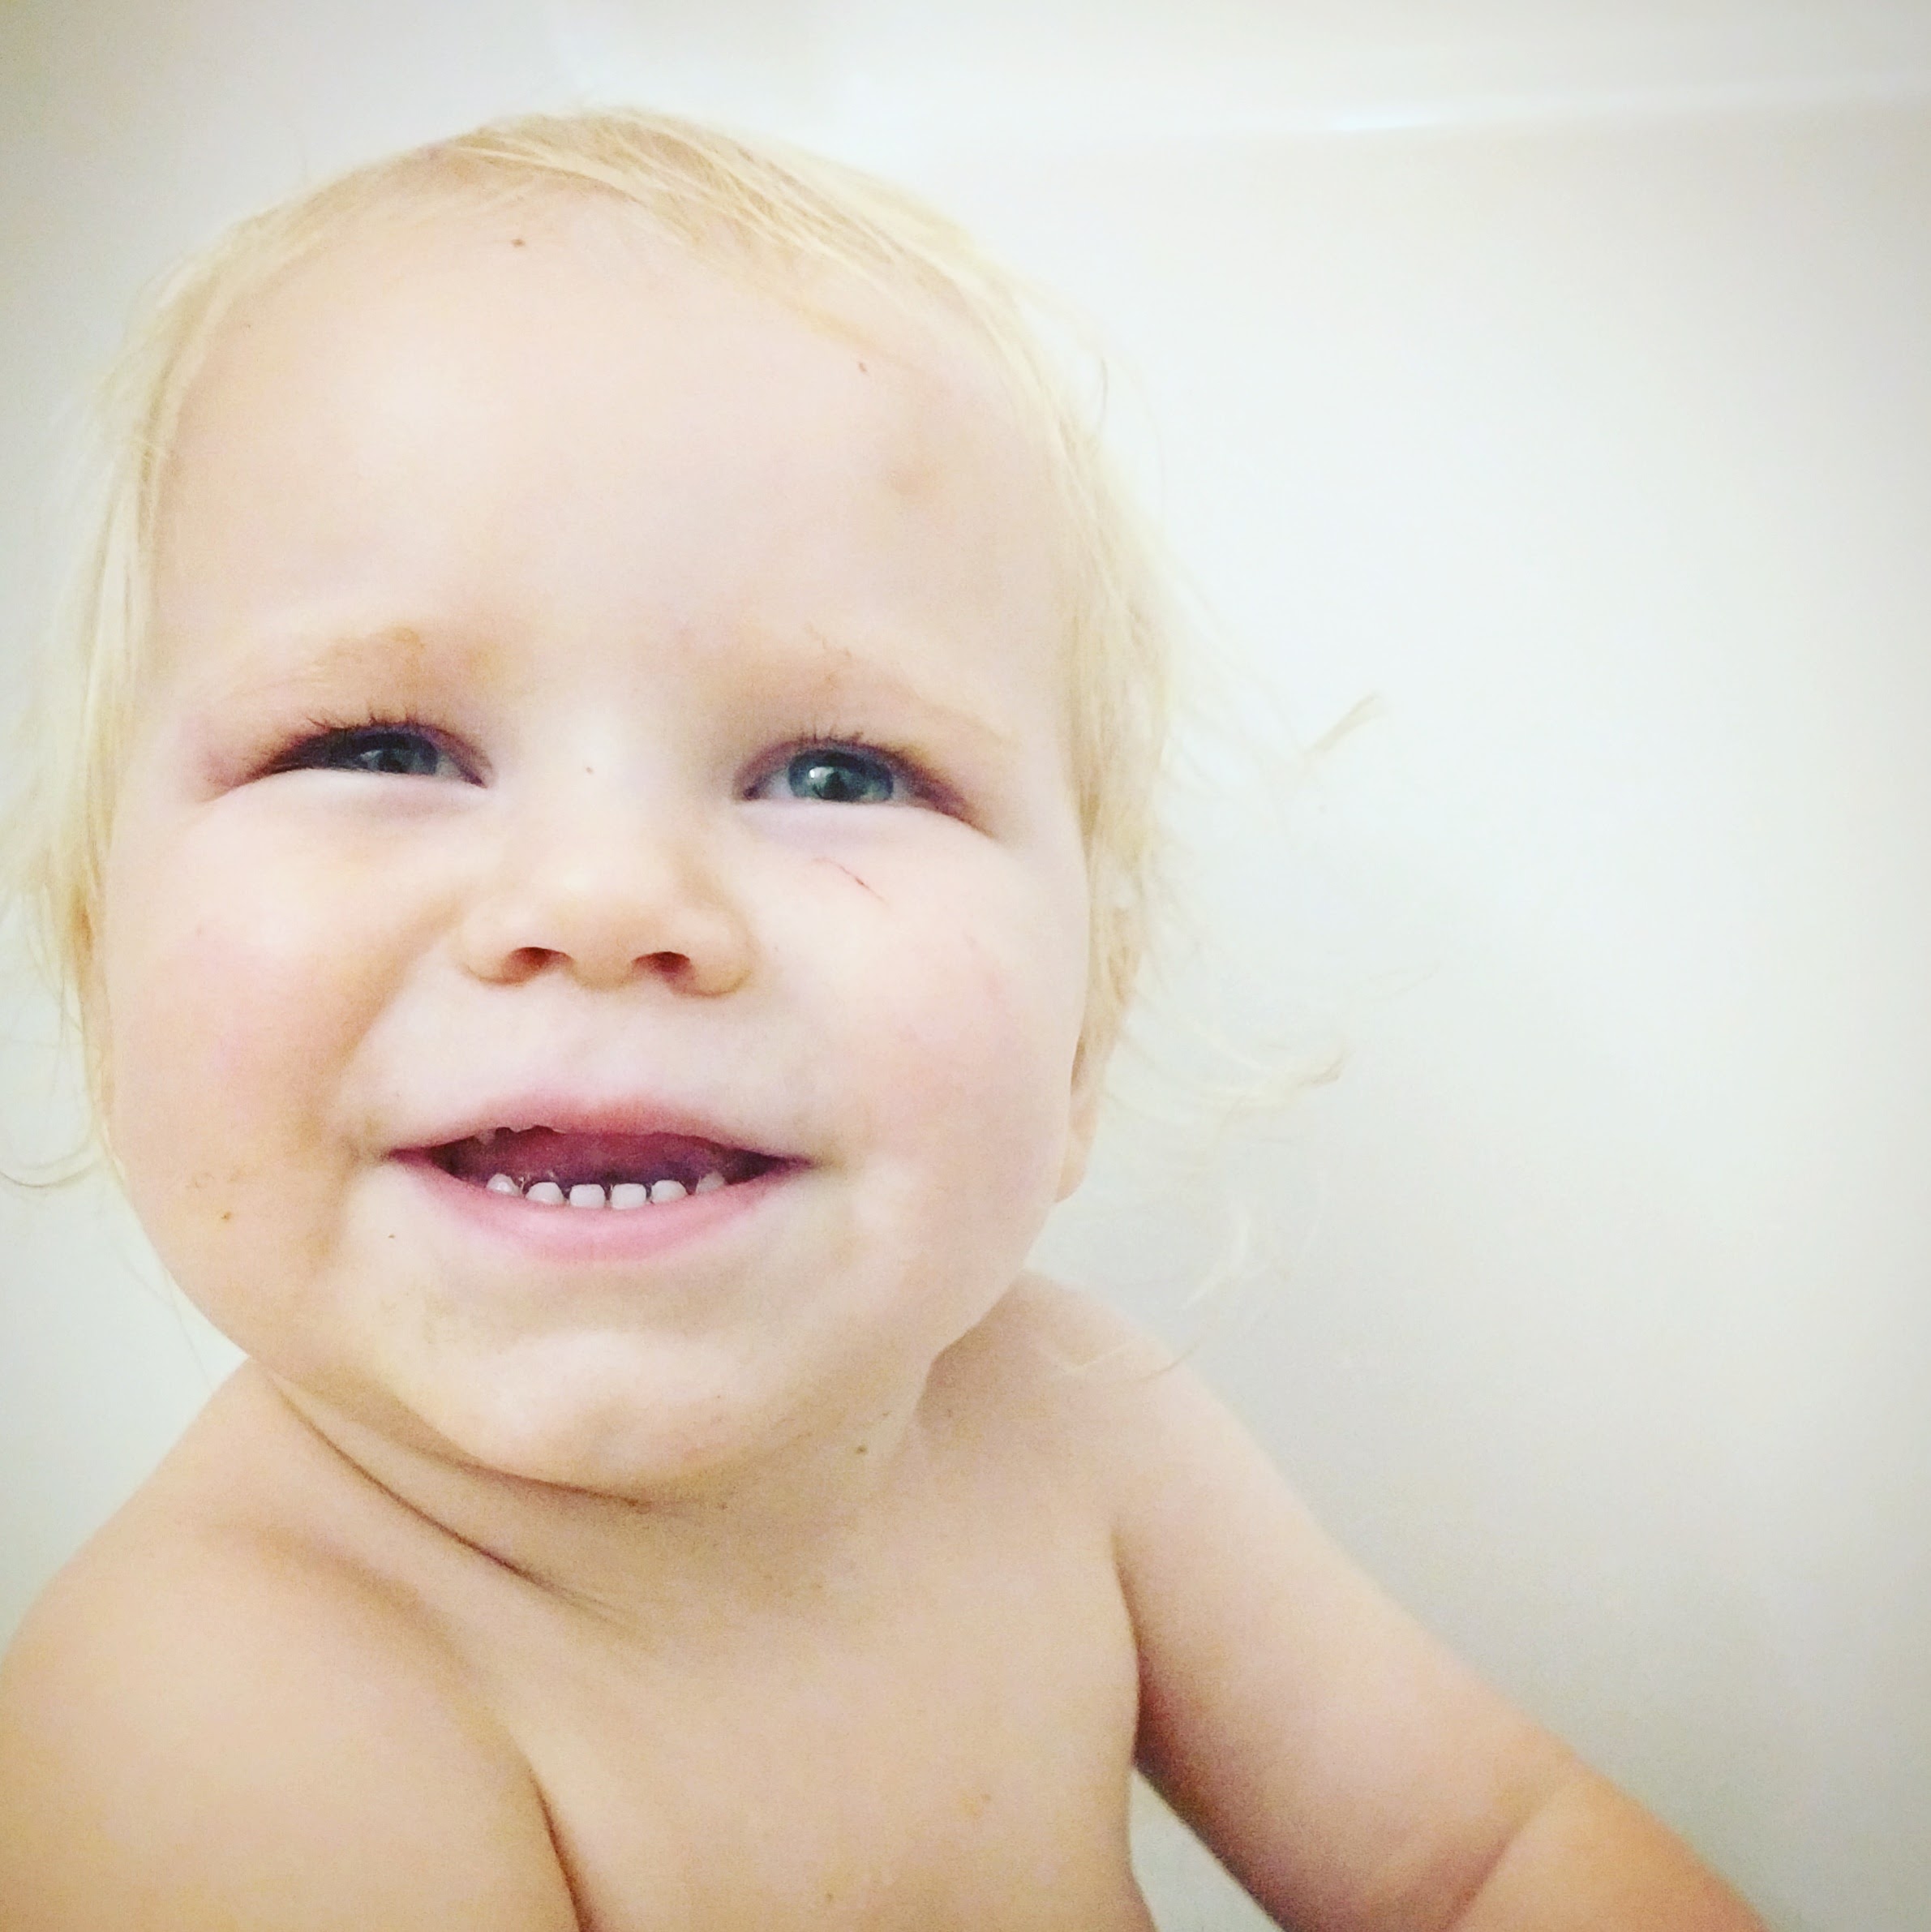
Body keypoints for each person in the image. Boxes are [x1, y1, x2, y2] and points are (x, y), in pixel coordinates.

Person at [0, 108, 1765, 1930]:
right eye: (377, 745)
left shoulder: (1063, 1418)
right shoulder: (208, 1728)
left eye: (836, 772)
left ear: (1090, 1028)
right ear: (91, 960)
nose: (607, 899)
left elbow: (1486, 1856)